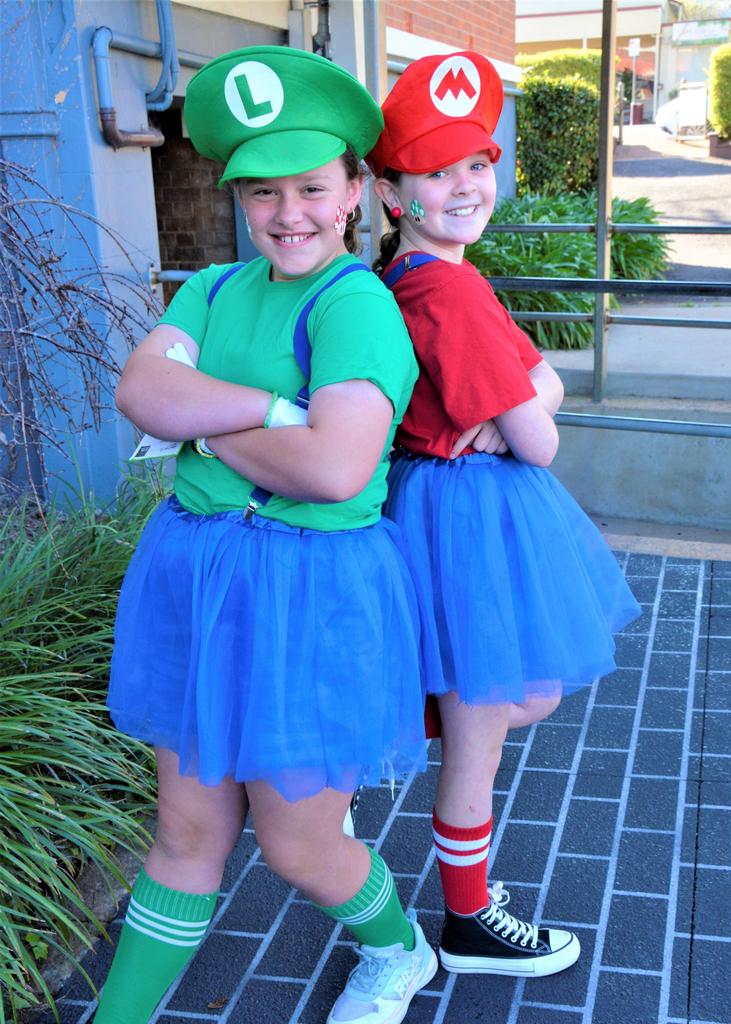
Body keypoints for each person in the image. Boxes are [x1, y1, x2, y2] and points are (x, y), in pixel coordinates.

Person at [97, 46, 437, 1024]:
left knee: (297, 845)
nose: (288, 214)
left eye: (311, 187)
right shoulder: (209, 290)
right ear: (238, 197)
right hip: (199, 579)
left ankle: (399, 950)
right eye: (262, 191)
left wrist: (200, 423)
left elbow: (336, 469)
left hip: (313, 594)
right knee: (185, 834)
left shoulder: (356, 304)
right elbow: (140, 391)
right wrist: (278, 416)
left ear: (357, 190)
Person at [366, 51, 642, 980]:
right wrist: (527, 403)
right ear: (395, 191)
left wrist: (529, 397)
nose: (466, 186)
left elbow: (541, 386)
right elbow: (544, 437)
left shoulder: (423, 277)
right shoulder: (449, 288)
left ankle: (463, 877)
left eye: (476, 163)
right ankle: (470, 920)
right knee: (482, 727)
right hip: (468, 529)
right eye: (437, 171)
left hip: (445, 515)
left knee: (508, 698)